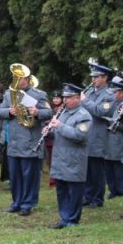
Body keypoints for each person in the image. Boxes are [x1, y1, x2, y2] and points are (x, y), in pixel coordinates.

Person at [0, 66, 52, 216]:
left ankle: (28, 204)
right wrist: (9, 111)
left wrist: (37, 112)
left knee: (29, 176)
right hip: (14, 142)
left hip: (30, 141)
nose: (17, 80)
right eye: (15, 77)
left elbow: (49, 112)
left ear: (27, 79)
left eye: (20, 78)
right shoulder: (8, 94)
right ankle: (16, 202)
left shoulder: (39, 94)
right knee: (15, 176)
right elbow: (0, 111)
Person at [48, 83, 92, 228]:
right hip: (60, 158)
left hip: (74, 160)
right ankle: (64, 217)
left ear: (78, 98)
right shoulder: (63, 112)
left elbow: (80, 135)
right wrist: (49, 131)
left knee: (74, 191)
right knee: (61, 190)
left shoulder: (84, 116)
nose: (65, 100)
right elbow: (57, 132)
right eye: (64, 97)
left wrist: (59, 126)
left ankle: (72, 219)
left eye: (69, 97)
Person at [81, 63, 115, 207]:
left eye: (96, 77)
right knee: (87, 170)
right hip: (86, 135)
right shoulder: (89, 93)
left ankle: (97, 199)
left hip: (98, 137)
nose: (93, 80)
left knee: (97, 170)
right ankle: (88, 196)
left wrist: (84, 101)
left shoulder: (109, 95)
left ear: (105, 78)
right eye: (93, 77)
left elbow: (101, 111)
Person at [104, 76, 123, 199]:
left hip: (119, 140)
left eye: (114, 92)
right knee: (108, 166)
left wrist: (114, 123)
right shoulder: (111, 104)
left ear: (121, 92)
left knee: (118, 167)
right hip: (107, 141)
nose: (112, 95)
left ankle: (120, 190)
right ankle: (112, 189)